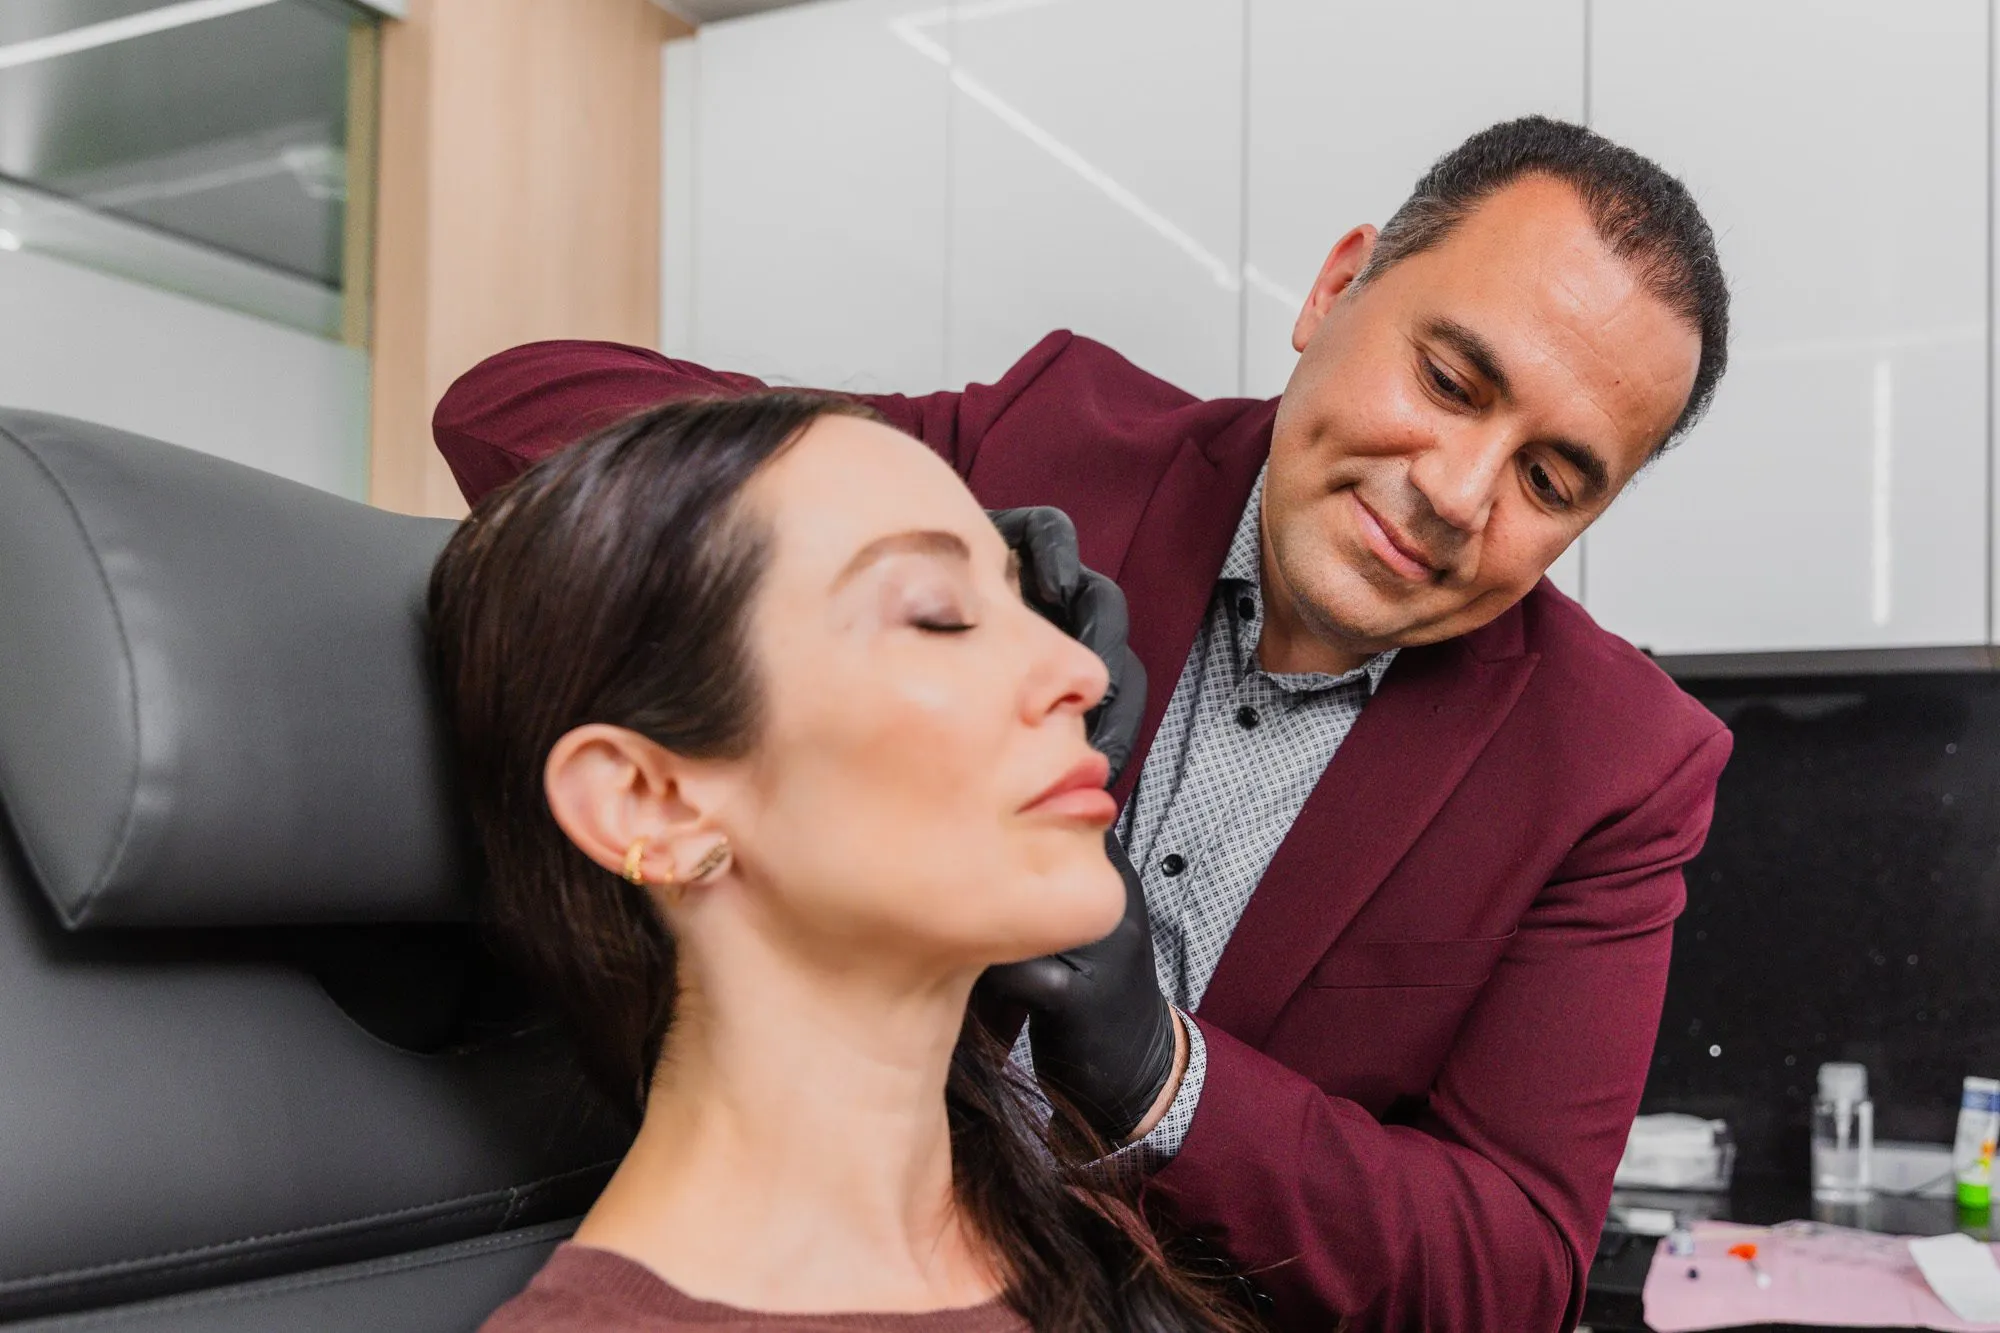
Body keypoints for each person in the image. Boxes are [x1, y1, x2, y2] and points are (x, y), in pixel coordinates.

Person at [432, 117, 1735, 1330]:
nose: (1457, 492)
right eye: (1450, 381)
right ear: (1336, 289)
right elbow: (510, 410)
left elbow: (1513, 1268)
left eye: (1549, 478)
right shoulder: (1060, 442)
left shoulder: (1618, 761)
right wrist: (946, 560)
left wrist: (1162, 1074)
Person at [429, 392, 1253, 1332]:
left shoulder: (1095, 1266)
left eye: (1023, 603)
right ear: (651, 803)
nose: (1087, 673)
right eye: (938, 615)